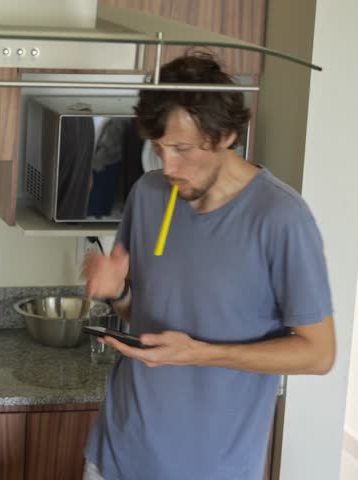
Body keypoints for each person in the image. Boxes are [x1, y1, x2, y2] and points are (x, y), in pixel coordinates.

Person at [81, 52, 336, 480]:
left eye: (181, 149)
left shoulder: (281, 218)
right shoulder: (149, 194)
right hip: (116, 454)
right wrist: (118, 292)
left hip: (211, 467)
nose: (168, 166)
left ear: (225, 136)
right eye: (158, 148)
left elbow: (319, 353)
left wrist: (201, 354)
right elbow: (145, 317)